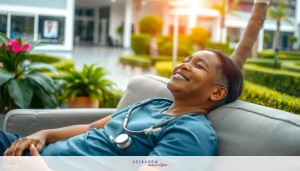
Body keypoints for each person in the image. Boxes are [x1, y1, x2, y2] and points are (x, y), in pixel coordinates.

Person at [1, 49, 243, 156]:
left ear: (217, 93)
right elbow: (89, 129)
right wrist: (42, 135)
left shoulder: (191, 132)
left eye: (198, 65)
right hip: (32, 153)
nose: (182, 65)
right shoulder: (152, 104)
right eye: (186, 59)